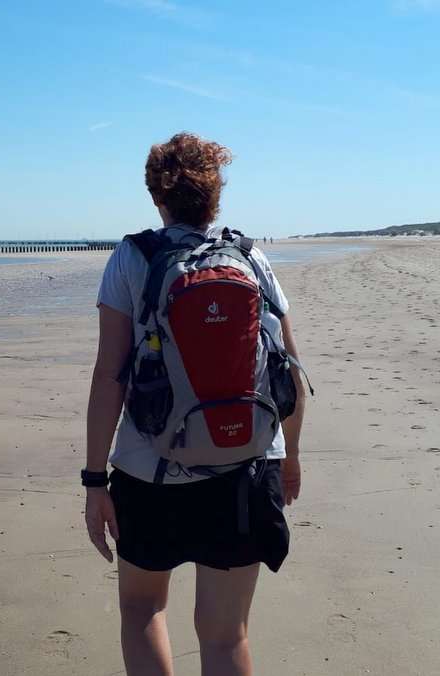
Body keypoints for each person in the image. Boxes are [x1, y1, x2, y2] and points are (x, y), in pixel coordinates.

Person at [83, 132, 306, 676]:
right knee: (226, 635)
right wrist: (290, 457)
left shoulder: (133, 257)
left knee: (142, 608)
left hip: (149, 470)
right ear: (216, 195)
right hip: (247, 466)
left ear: (155, 196)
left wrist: (94, 482)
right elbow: (290, 370)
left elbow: (109, 376)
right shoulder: (250, 257)